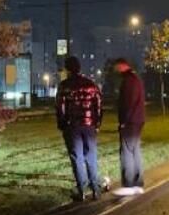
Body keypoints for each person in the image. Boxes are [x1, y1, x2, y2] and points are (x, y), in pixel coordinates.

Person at [55, 56, 104, 201]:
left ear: (68, 69)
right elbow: (99, 106)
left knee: (77, 157)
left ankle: (81, 190)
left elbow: (60, 108)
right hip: (89, 126)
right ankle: (95, 189)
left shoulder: (64, 86)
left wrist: (62, 124)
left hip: (72, 126)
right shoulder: (91, 84)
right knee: (91, 156)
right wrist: (97, 123)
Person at [112, 57, 146, 195]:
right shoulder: (136, 79)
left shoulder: (128, 81)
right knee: (135, 150)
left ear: (123, 66)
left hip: (130, 122)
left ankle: (129, 183)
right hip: (137, 120)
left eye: (117, 67)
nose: (116, 70)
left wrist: (123, 121)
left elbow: (128, 103)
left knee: (126, 152)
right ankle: (138, 182)